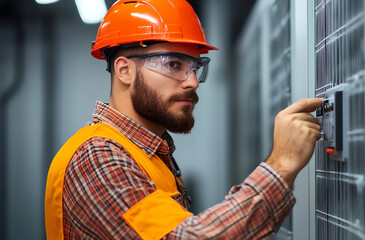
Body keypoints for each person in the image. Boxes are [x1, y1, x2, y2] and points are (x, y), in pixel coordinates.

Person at [45, 0, 323, 239]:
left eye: (196, 67)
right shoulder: (97, 158)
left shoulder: (146, 152)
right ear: (124, 70)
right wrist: (281, 166)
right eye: (173, 64)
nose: (192, 82)